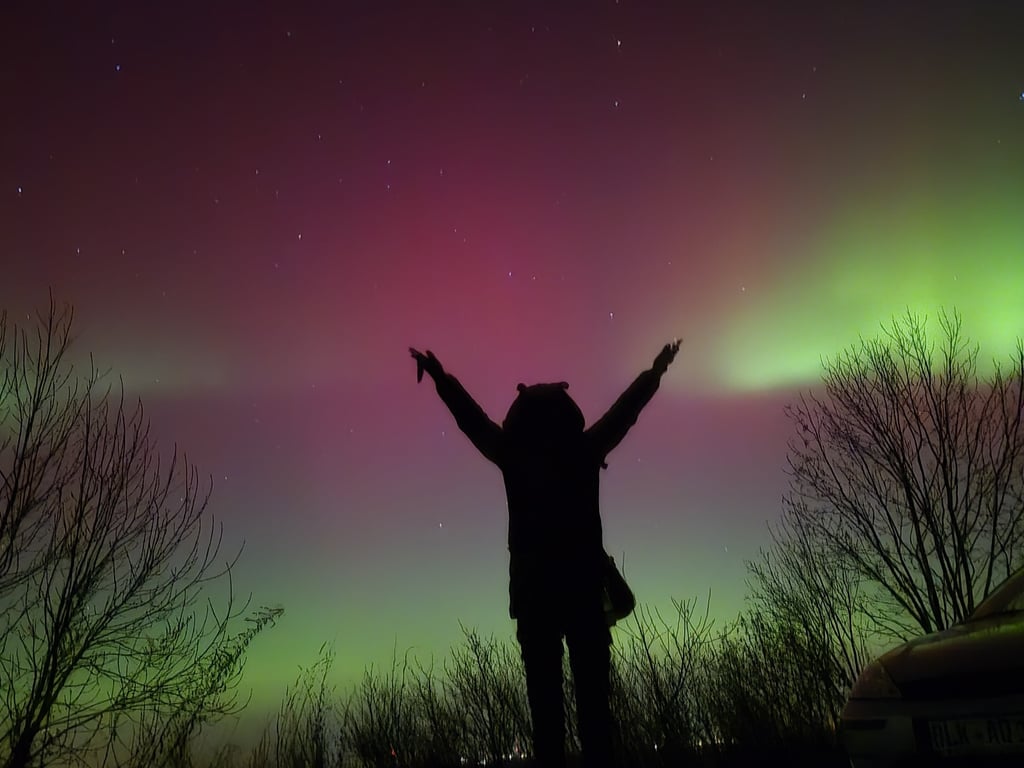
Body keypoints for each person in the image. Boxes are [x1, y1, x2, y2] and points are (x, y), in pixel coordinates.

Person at [409, 340, 680, 768]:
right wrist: (656, 371)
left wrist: (442, 379)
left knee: (547, 716)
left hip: (536, 599)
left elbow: (471, 420)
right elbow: (626, 410)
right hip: (582, 592)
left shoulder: (514, 456)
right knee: (594, 713)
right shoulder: (583, 451)